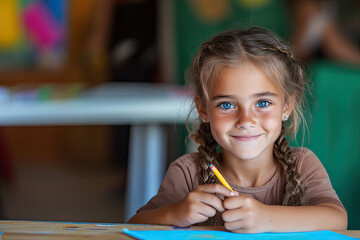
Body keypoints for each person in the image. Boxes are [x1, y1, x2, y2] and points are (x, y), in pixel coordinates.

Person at [128, 27, 348, 233]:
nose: (246, 120)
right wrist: (175, 213)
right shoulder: (187, 173)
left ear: (287, 106)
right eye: (227, 105)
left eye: (262, 103)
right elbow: (133, 226)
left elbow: (337, 218)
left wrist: (264, 218)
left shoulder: (302, 164)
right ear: (203, 109)